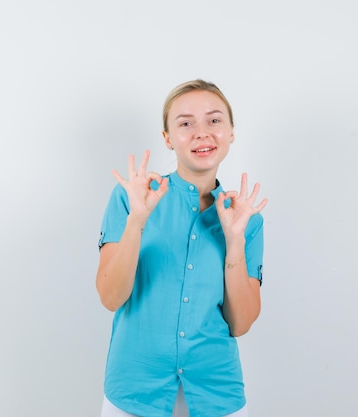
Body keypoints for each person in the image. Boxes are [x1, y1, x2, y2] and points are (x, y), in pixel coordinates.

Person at [96, 79, 267, 417]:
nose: (202, 132)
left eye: (215, 120)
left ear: (231, 132)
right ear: (168, 139)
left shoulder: (246, 218)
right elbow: (110, 297)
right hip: (134, 390)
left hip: (216, 392)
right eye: (186, 123)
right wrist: (137, 222)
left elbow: (241, 323)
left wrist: (234, 242)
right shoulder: (132, 198)